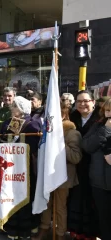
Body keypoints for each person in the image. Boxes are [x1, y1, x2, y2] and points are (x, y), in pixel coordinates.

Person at [0, 96, 42, 239]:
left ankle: (25, 229)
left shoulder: (32, 124)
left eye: (14, 106)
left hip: (26, 168)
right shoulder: (8, 123)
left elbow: (34, 146)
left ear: (21, 109)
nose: (11, 108)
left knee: (24, 197)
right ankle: (10, 226)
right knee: (10, 195)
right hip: (8, 167)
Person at [36, 106, 82, 240]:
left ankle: (60, 233)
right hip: (47, 173)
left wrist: (60, 142)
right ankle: (44, 228)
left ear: (63, 115)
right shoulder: (46, 131)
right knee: (46, 202)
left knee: (60, 207)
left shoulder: (73, 133)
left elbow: (76, 157)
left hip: (64, 176)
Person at [68, 90, 100, 239]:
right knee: (76, 199)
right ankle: (76, 231)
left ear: (93, 102)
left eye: (86, 101)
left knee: (92, 201)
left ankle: (91, 234)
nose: (82, 104)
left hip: (95, 165)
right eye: (79, 101)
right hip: (76, 166)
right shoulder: (72, 118)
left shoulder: (100, 118)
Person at [82, 98, 111, 240]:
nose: (110, 114)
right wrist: (106, 130)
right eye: (108, 110)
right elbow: (87, 146)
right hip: (100, 183)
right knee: (104, 220)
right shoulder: (98, 126)